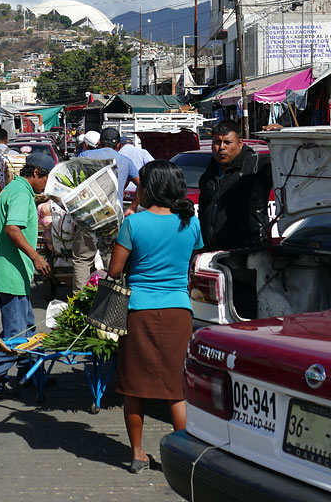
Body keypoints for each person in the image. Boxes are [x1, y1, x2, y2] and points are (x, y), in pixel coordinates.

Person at [108, 160, 203, 474]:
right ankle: (185, 455)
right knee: (176, 388)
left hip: (139, 312)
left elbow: (115, 271)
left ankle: (137, 454)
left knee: (135, 386)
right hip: (179, 311)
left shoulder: (134, 224)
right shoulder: (191, 223)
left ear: (149, 188)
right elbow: (191, 264)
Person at [0, 152, 53, 399]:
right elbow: (12, 229)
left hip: (14, 273)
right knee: (16, 334)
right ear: (36, 173)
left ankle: (28, 373)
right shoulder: (20, 193)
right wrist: (36, 257)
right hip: (10, 273)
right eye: (46, 178)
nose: (46, 184)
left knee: (28, 327)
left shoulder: (17, 190)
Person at [71, 127, 140, 290]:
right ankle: (112, 301)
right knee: (112, 258)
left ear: (100, 142)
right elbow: (143, 184)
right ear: (119, 146)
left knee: (82, 259)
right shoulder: (125, 161)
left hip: (89, 214)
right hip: (113, 217)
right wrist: (133, 206)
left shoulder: (84, 156)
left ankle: (79, 304)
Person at [198, 120, 273, 251]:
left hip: (247, 253)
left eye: (227, 142)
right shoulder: (208, 176)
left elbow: (286, 166)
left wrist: (279, 138)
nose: (221, 147)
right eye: (217, 142)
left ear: (240, 143)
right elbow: (204, 213)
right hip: (212, 253)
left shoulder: (255, 167)